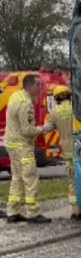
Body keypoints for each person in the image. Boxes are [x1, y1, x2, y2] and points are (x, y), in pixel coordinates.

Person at [4, 74, 50, 223]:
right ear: (30, 86)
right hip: (22, 146)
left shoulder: (14, 96)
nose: (40, 88)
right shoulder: (26, 104)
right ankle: (33, 213)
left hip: (11, 144)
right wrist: (43, 129)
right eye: (38, 85)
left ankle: (13, 211)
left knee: (16, 178)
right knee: (30, 178)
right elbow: (27, 130)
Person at [45, 85, 80, 220]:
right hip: (80, 147)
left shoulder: (54, 112)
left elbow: (48, 128)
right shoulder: (76, 109)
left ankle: (75, 210)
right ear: (68, 95)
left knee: (72, 180)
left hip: (67, 150)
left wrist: (35, 131)